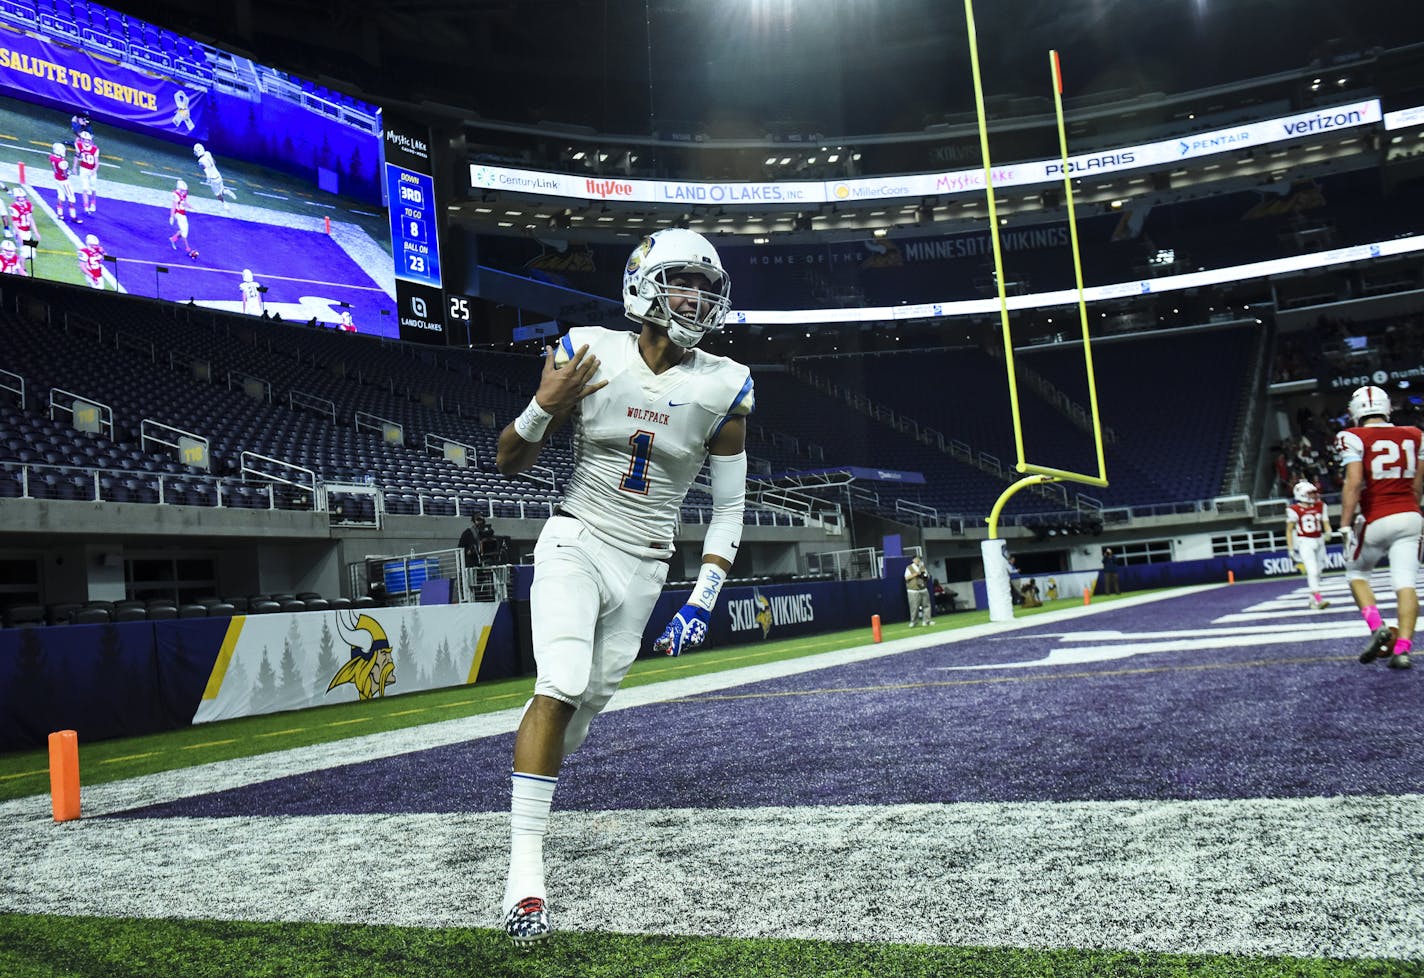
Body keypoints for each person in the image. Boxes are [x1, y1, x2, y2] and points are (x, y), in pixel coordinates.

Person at [495, 227, 747, 947]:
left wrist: (702, 598)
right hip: (576, 536)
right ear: (643, 284)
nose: (695, 297)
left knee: (583, 709)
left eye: (705, 285)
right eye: (682, 281)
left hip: (646, 563)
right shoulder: (588, 347)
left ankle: (528, 779)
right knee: (563, 679)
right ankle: (525, 886)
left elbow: (728, 506)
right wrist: (542, 406)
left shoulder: (725, 383)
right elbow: (509, 460)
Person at [1336, 385, 1423, 670]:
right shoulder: (1415, 434)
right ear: (1387, 408)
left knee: (1357, 572)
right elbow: (1418, 485)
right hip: (1411, 514)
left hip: (1377, 516)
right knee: (1406, 584)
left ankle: (1377, 627)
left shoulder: (1352, 436)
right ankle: (1403, 650)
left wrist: (1345, 524)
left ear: (1356, 411)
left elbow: (1354, 482)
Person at [1285, 479, 1332, 610]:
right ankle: (1318, 599)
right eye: (1310, 493)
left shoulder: (1321, 505)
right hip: (1304, 541)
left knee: (1318, 570)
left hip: (1319, 540)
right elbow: (1289, 530)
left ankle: (1312, 599)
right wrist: (1290, 549)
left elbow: (1325, 521)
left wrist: (1328, 532)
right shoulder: (1294, 509)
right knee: (1312, 571)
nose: (1313, 496)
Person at [194, 143, 236, 209]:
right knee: (222, 190)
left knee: (218, 194)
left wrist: (208, 179)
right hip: (218, 175)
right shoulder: (208, 153)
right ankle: (226, 191)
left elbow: (207, 172)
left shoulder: (200, 161)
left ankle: (224, 204)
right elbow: (214, 162)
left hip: (213, 179)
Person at [48, 142, 80, 224]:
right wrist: (69, 173)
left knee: (61, 196)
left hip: (56, 178)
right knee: (71, 198)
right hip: (64, 181)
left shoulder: (51, 157)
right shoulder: (62, 162)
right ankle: (73, 216)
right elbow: (65, 175)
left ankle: (60, 214)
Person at [169, 179, 198, 258]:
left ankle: (173, 239)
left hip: (183, 214)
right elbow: (173, 206)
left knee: (184, 231)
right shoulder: (176, 195)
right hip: (178, 214)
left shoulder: (184, 194)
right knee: (183, 232)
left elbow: (184, 202)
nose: (184, 192)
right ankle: (188, 249)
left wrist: (191, 207)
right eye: (183, 190)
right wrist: (171, 217)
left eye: (185, 190)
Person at [73, 130, 99, 215]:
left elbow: (97, 162)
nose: (86, 142)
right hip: (83, 169)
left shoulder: (95, 149)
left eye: (88, 140)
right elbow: (77, 156)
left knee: (93, 189)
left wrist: (94, 170)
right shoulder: (79, 145)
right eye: (84, 140)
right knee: (84, 189)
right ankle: (86, 207)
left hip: (91, 169)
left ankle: (93, 202)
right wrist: (74, 167)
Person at [904, 554, 933, 626]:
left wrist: (925, 575)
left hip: (923, 589)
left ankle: (926, 621)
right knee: (914, 607)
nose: (918, 560)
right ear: (913, 560)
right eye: (917, 559)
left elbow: (927, 577)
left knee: (926, 605)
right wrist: (916, 574)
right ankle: (914, 622)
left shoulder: (922, 567)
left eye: (919, 559)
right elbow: (906, 578)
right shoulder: (909, 568)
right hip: (913, 590)